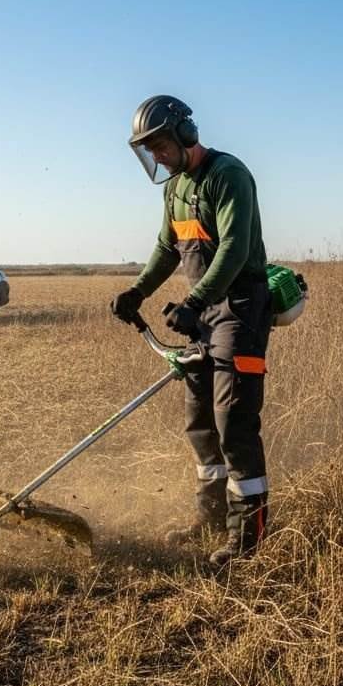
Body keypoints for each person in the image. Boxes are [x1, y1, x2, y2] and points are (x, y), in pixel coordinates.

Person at [111, 95, 272, 565]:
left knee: (233, 422)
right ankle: (211, 515)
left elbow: (235, 250)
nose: (157, 156)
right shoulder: (175, 188)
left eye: (160, 145)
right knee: (199, 420)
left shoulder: (229, 175)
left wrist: (195, 301)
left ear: (185, 134)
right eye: (149, 149)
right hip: (201, 311)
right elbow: (167, 248)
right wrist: (137, 292)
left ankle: (248, 538)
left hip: (239, 307)